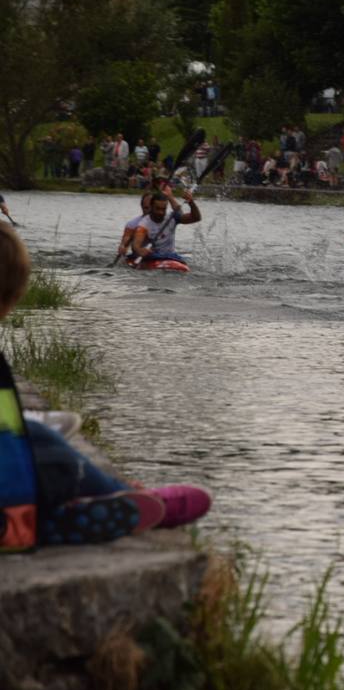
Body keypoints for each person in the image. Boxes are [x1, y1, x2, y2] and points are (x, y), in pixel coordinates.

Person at [0, 222, 210, 548]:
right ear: (10, 301)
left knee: (33, 435)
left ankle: (55, 517)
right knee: (46, 446)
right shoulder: (139, 227)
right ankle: (117, 495)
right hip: (9, 524)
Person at [129, 184, 202, 267]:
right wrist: (139, 250)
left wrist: (191, 202)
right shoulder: (144, 224)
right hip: (153, 257)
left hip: (170, 257)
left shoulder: (172, 218)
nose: (160, 212)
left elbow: (196, 218)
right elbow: (136, 244)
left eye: (163, 209)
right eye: (157, 209)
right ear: (151, 207)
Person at [115, 192, 154, 263]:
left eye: (152, 208)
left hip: (161, 255)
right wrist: (123, 247)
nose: (149, 211)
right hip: (138, 256)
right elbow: (125, 241)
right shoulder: (132, 224)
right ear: (141, 206)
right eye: (146, 208)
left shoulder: (164, 222)